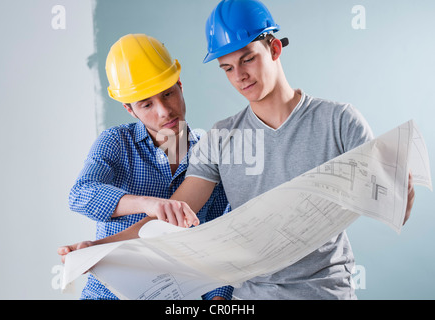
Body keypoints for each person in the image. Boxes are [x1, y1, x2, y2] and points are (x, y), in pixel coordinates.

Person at [60, 0, 415, 300]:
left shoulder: (338, 121)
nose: (239, 76)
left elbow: (392, 205)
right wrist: (101, 249)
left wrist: (398, 187)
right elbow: (170, 217)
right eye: (227, 68)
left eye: (247, 59)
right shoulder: (219, 139)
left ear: (274, 49)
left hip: (326, 292)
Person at [60, 33, 232, 300]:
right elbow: (81, 194)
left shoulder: (210, 154)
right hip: (109, 294)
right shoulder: (116, 143)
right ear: (130, 110)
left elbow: (218, 239)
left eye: (168, 94)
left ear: (180, 85)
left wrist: (219, 298)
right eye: (147, 104)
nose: (164, 111)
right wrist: (148, 204)